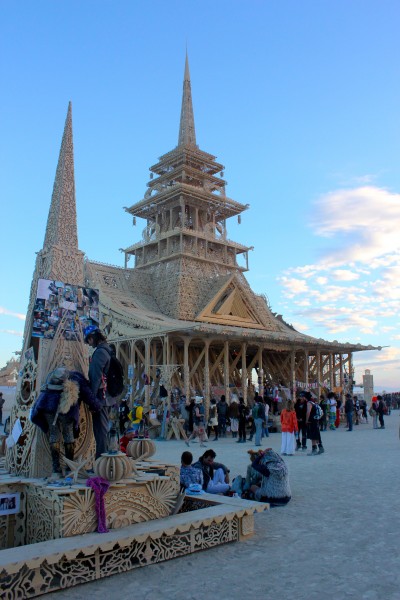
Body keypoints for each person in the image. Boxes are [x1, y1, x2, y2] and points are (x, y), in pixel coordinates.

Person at [31, 366, 101, 476]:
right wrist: (97, 406)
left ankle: (56, 469)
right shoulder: (77, 379)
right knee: (68, 434)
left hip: (47, 406)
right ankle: (70, 468)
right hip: (66, 407)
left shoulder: (52, 377)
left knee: (54, 434)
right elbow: (88, 396)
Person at [84, 325, 114, 458]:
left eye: (89, 340)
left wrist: (92, 399)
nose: (89, 344)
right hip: (107, 397)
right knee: (103, 429)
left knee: (100, 432)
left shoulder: (100, 352)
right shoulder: (108, 350)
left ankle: (102, 463)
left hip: (101, 398)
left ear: (93, 337)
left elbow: (95, 377)